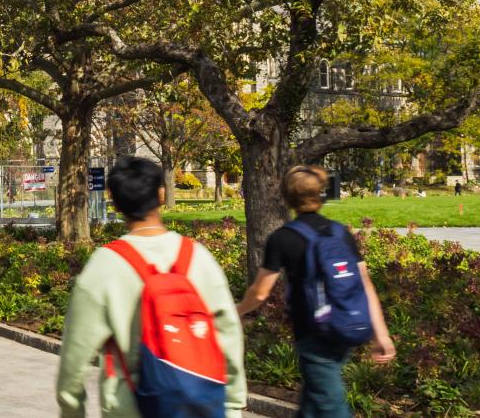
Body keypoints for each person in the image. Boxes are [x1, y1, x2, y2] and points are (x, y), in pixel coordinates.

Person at [56, 157, 245, 417]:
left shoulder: (105, 265)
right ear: (161, 192)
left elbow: (75, 354)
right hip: (201, 404)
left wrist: (72, 410)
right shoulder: (198, 257)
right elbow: (228, 332)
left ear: (115, 200)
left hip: (132, 407)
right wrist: (233, 405)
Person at [236, 166, 396, 418]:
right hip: (348, 324)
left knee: (330, 405)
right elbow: (365, 284)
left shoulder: (283, 238)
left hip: (315, 333)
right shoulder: (339, 232)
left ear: (286, 198)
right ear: (320, 195)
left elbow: (259, 292)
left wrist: (237, 311)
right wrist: (381, 335)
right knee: (313, 404)